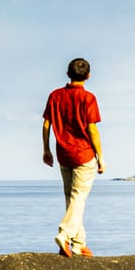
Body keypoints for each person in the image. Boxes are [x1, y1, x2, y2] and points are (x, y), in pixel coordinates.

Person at [42, 57, 103, 257]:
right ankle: (65, 233)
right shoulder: (88, 98)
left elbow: (46, 125)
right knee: (78, 197)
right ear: (88, 76)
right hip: (84, 154)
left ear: (68, 74)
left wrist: (46, 149)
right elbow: (92, 129)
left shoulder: (55, 96)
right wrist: (100, 157)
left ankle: (78, 243)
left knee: (71, 198)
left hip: (63, 154)